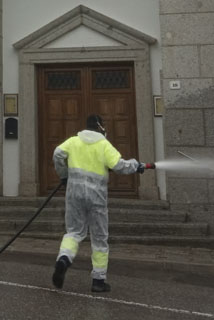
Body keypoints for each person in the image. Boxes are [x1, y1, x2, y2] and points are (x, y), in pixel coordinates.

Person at [51, 114, 145, 293]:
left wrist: (64, 175)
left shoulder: (73, 141)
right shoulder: (103, 145)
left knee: (74, 232)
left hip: (74, 195)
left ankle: (63, 259)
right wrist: (136, 165)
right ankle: (98, 280)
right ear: (100, 126)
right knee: (99, 238)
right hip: (96, 198)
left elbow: (57, 154)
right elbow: (118, 165)